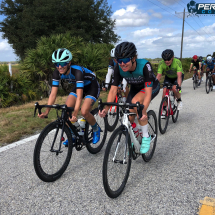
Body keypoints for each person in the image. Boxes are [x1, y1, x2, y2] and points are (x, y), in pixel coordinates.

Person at [99, 42, 160, 154]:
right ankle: (135, 136)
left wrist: (143, 111)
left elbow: (147, 92)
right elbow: (113, 90)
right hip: (135, 88)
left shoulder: (145, 66)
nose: (122, 64)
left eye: (125, 60)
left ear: (134, 58)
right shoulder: (118, 68)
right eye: (119, 60)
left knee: (137, 104)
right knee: (129, 117)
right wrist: (107, 108)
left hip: (150, 87)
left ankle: (146, 136)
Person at [38, 48, 101, 145]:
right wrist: (46, 112)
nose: (59, 67)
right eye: (56, 64)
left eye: (63, 64)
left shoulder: (77, 71)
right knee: (66, 111)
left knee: (84, 111)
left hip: (91, 86)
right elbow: (53, 94)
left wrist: (75, 114)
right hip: (79, 86)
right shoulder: (56, 73)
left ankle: (96, 129)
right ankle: (73, 135)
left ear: (69, 63)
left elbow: (79, 97)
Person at [156, 49, 184, 117]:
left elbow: (179, 76)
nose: (167, 61)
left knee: (175, 88)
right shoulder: (161, 63)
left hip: (177, 76)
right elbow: (158, 76)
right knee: (164, 91)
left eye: (168, 59)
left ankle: (179, 100)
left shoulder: (177, 62)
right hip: (168, 77)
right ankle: (165, 109)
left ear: (173, 58)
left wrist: (179, 86)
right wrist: (154, 85)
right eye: (165, 59)